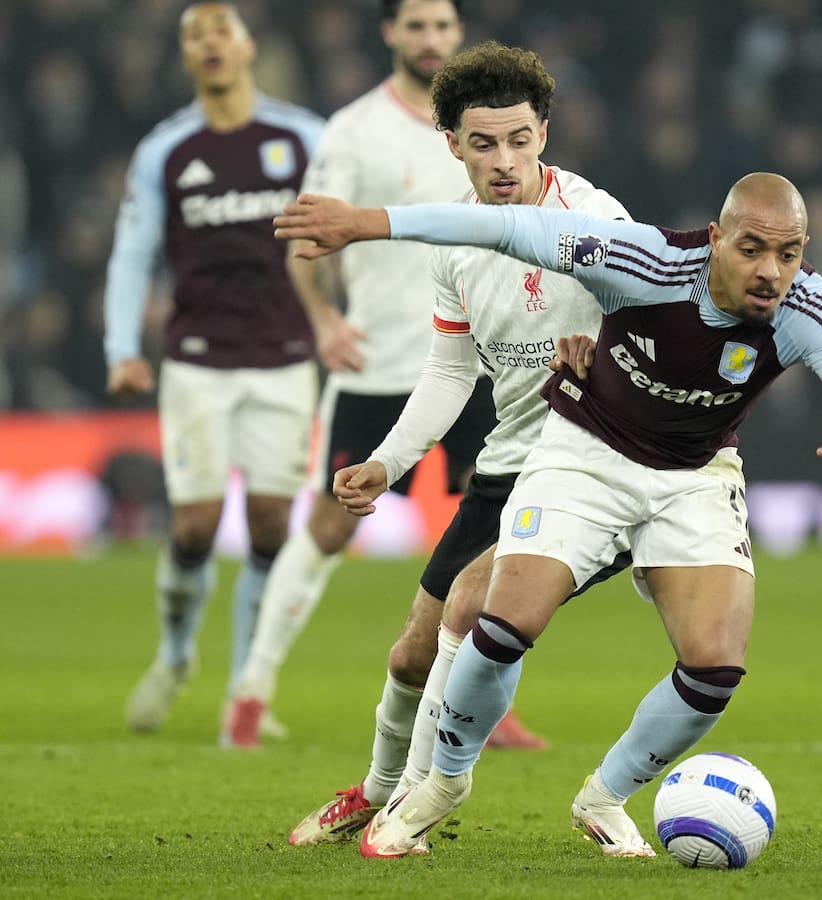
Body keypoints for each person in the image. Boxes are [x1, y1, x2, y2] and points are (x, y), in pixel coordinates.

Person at [273, 171, 822, 858]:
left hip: (694, 475)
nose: (770, 271)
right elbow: (511, 229)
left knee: (715, 668)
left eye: (787, 253)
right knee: (504, 618)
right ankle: (441, 787)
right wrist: (366, 222)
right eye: (752, 248)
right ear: (716, 239)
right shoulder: (648, 262)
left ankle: (603, 796)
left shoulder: (810, 304)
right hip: (588, 454)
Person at [270, 41, 634, 846]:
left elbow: (658, 326)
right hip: (507, 467)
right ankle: (375, 789)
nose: (503, 160)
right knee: (408, 656)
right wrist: (385, 463)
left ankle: (426, 800)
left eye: (518, 140)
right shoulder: (456, 242)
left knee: (468, 611)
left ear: (544, 134)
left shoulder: (597, 222)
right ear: (453, 146)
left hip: (593, 469)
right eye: (483, 143)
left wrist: (606, 361)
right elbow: (449, 370)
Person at [221, 0, 542, 752]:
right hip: (378, 362)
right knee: (332, 521)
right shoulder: (353, 130)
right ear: (390, 35)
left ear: (458, 36)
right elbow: (306, 236)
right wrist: (326, 323)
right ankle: (251, 689)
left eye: (443, 27)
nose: (431, 39)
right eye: (417, 26)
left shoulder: (486, 129)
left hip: (482, 362)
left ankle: (484, 703)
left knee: (497, 537)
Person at [105, 2, 325, 739]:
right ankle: (173, 656)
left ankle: (245, 691)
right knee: (195, 525)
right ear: (187, 56)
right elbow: (133, 251)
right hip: (196, 357)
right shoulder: (166, 149)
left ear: (247, 45)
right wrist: (120, 349)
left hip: (287, 356)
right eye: (193, 36)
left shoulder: (301, 137)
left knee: (269, 524)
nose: (209, 44)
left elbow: (347, 229)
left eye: (219, 31)